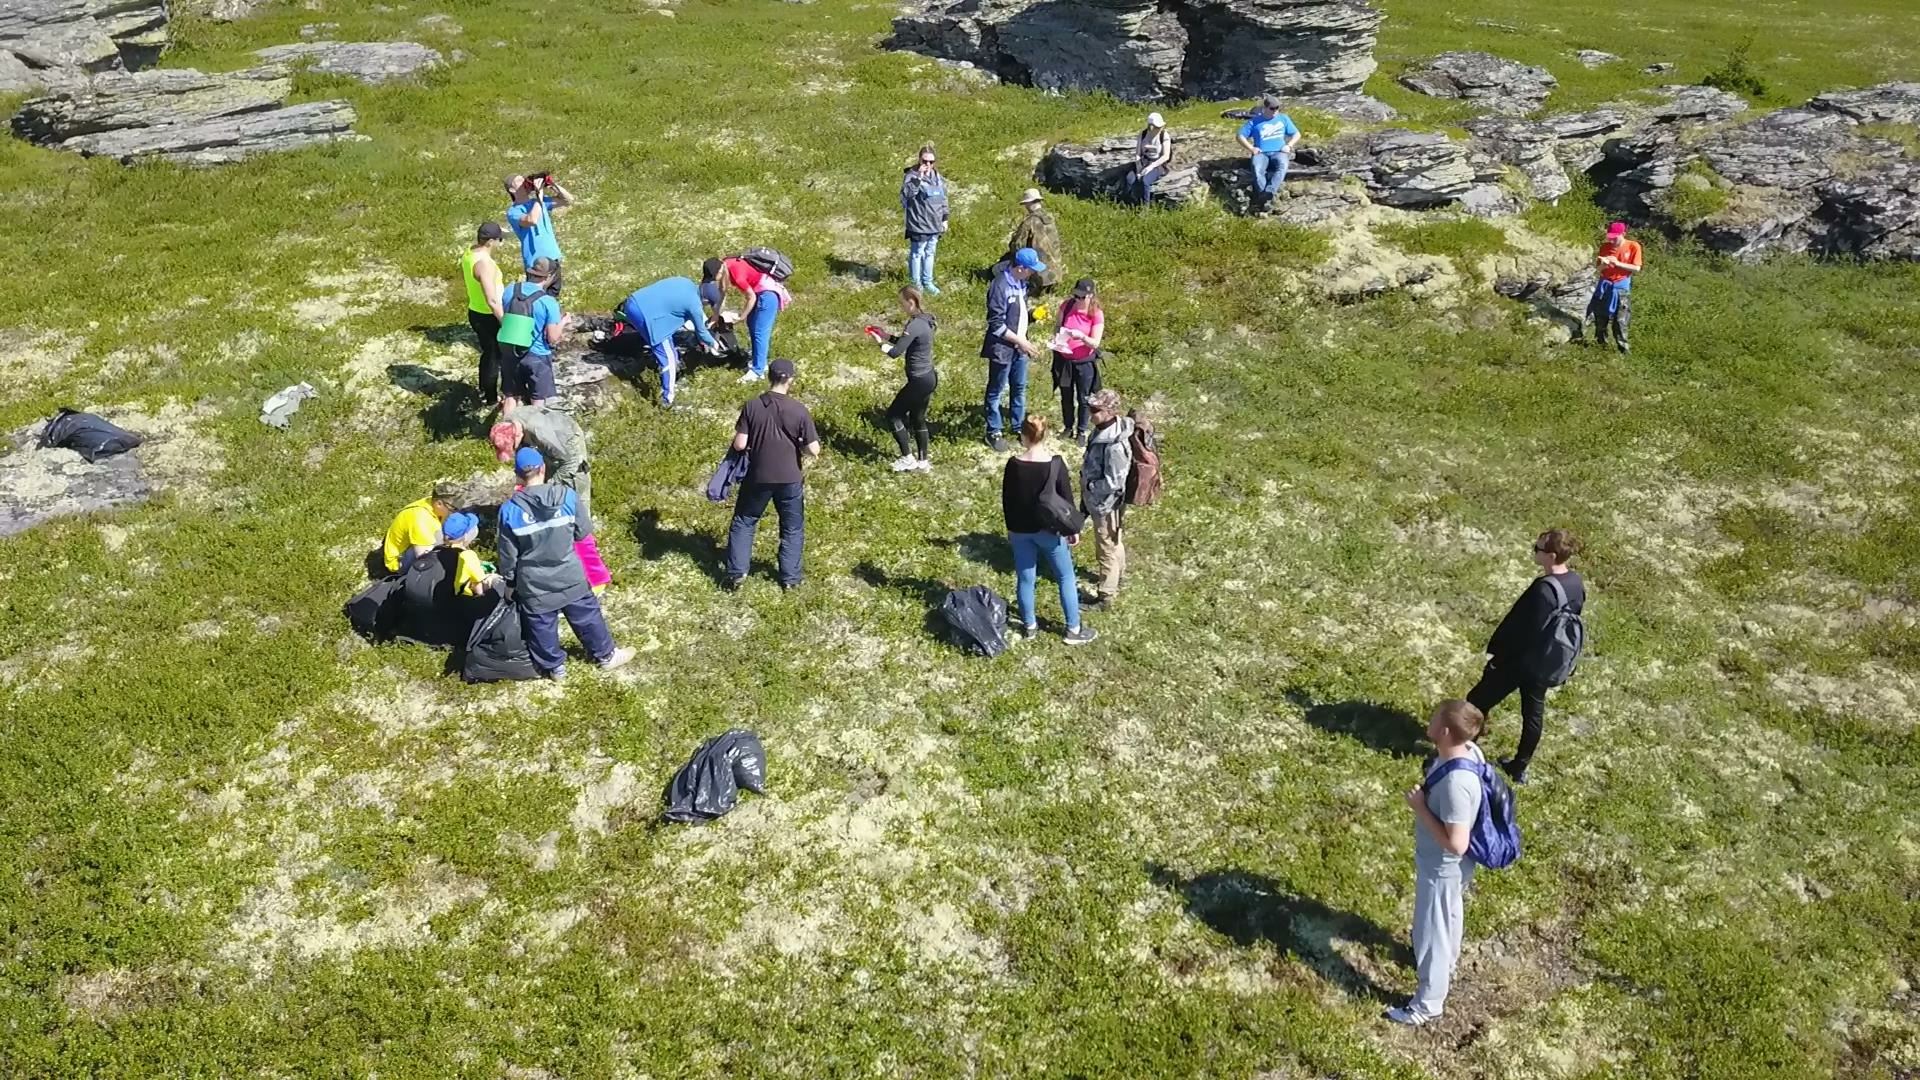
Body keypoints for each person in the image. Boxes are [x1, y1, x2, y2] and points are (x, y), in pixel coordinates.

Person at [1385, 699, 1488, 1027]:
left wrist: (1420, 807)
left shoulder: (1457, 784)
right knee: (1448, 917)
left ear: (1444, 731)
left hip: (1443, 869)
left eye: (1433, 719)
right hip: (1449, 869)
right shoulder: (1469, 750)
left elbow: (1457, 844)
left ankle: (1426, 1005)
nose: (1426, 721)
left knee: (1432, 934)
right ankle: (1448, 966)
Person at [497, 448, 633, 678]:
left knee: (541, 625)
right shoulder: (568, 496)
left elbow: (507, 555)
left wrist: (510, 582)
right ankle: (606, 656)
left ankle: (554, 668)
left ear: (517, 475)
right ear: (543, 468)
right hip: (570, 575)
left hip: (534, 585)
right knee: (587, 616)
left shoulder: (509, 511)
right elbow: (582, 532)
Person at [1465, 529, 1586, 785]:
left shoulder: (1543, 589)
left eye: (1537, 549)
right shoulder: (1575, 583)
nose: (1534, 551)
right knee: (1532, 715)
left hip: (1520, 662)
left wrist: (1498, 658)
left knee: (1476, 702)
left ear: (1551, 556)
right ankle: (1519, 767)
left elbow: (1520, 631)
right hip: (1546, 661)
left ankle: (1464, 756)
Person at [725, 358, 820, 591]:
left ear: (769, 377)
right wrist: (801, 446)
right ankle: (790, 579)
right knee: (792, 528)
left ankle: (737, 574)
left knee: (745, 521)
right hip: (790, 478)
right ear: (790, 380)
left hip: (758, 476)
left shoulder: (752, 406)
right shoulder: (799, 410)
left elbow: (740, 444)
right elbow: (814, 450)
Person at [1001, 415, 1097, 645]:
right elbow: (1066, 500)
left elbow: (1007, 501)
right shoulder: (1055, 464)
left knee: (1026, 579)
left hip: (1020, 531)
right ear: (1045, 435)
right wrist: (1072, 530)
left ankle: (1029, 626)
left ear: (1023, 435)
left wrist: (1011, 529)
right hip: (1050, 532)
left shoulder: (1013, 464)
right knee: (1065, 577)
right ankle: (1073, 630)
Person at [981, 247, 1046, 451]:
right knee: (997, 390)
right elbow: (996, 324)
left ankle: (1019, 427)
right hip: (1002, 348)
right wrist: (1021, 342)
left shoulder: (1021, 284)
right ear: (1020, 268)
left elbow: (1016, 313)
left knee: (1019, 388)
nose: (1033, 273)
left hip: (1019, 347)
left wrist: (1032, 315)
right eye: (1031, 269)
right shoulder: (999, 287)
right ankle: (994, 430)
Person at [618, 276, 719, 408]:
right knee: (670, 359)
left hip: (633, 303)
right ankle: (667, 401)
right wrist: (713, 343)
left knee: (666, 340)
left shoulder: (685, 282)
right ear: (705, 300)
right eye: (708, 304)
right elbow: (701, 333)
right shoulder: (694, 305)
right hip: (647, 316)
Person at [872, 286, 938, 473]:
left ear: (911, 302)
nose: (901, 306)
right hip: (929, 377)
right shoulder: (925, 320)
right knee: (918, 418)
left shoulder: (914, 325)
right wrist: (886, 335)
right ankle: (923, 462)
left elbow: (895, 352)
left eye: (902, 303)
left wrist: (879, 343)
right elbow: (906, 342)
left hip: (918, 381)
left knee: (893, 415)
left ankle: (907, 458)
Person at [1079, 389, 1134, 610]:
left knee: (1105, 548)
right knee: (1114, 540)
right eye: (1090, 408)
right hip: (1102, 502)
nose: (1090, 413)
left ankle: (1106, 596)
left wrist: (1091, 487)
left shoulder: (1114, 446)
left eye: (1095, 409)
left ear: (1111, 412)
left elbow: (1114, 482)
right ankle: (1119, 576)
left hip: (1105, 504)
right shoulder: (1103, 430)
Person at [498, 257, 563, 409]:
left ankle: (507, 423)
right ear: (549, 276)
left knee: (511, 396)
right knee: (538, 401)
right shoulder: (548, 301)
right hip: (537, 355)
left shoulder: (510, 290)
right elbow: (552, 338)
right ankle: (532, 424)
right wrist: (564, 322)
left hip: (510, 351)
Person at [715, 254, 789, 383]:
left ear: (720, 272)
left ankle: (758, 370)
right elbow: (722, 290)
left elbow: (751, 298)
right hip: (761, 292)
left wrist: (741, 317)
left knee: (760, 332)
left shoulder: (737, 276)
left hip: (767, 296)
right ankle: (759, 361)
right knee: (752, 324)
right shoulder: (726, 263)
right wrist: (716, 314)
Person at [1049, 278, 1105, 443]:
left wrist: (1081, 337)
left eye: (1082, 297)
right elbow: (1058, 326)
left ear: (1091, 296)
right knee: (1066, 395)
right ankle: (1068, 427)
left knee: (1084, 398)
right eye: (1076, 296)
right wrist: (1057, 338)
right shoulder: (1066, 306)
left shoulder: (1096, 313)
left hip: (1084, 362)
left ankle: (1081, 430)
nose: (1078, 300)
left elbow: (1095, 343)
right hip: (1065, 359)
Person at [504, 173, 575, 294]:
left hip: (553, 257)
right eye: (519, 181)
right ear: (512, 190)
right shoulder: (513, 212)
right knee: (536, 297)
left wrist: (551, 184)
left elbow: (568, 200)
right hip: (536, 263)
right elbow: (531, 220)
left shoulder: (538, 202)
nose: (524, 182)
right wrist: (539, 196)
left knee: (553, 296)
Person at [461, 222, 507, 407]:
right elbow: (492, 300)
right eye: (499, 239)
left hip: (475, 310)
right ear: (490, 242)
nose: (501, 243)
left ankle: (484, 388)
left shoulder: (470, 252)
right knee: (493, 357)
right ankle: (491, 397)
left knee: (488, 353)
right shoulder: (484, 265)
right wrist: (505, 321)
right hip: (488, 316)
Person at [1236, 95, 1300, 212]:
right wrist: (1251, 148)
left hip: (1279, 151)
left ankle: (1269, 192)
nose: (1275, 111)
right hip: (1261, 153)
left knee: (1282, 166)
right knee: (1257, 169)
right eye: (1272, 108)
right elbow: (1240, 136)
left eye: (1277, 108)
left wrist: (1289, 145)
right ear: (1264, 108)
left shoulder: (1284, 119)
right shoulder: (1254, 122)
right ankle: (1263, 196)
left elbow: (1296, 134)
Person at [901, 144, 950, 296]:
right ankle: (916, 284)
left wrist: (945, 218)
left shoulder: (938, 178)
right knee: (917, 253)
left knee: (930, 253)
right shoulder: (911, 176)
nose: (928, 164)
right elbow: (907, 194)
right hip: (919, 224)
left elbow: (943, 199)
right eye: (925, 161)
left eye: (931, 162)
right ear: (919, 160)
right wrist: (919, 177)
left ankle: (928, 282)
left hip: (935, 224)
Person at [382, 480, 459, 574]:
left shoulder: (431, 502)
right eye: (453, 508)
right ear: (439, 504)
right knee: (438, 557)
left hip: (414, 544)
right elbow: (425, 558)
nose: (456, 510)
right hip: (399, 561)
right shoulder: (421, 521)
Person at [1586, 222, 1641, 354]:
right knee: (1600, 318)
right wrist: (1604, 265)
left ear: (1623, 234)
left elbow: (1636, 268)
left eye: (1615, 237)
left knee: (1620, 321)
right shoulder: (1605, 247)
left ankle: (1623, 350)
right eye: (1610, 237)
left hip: (1621, 287)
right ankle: (1600, 347)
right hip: (1604, 286)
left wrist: (1617, 263)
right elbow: (1598, 269)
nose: (1612, 240)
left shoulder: (1633, 246)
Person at [1005, 189, 1061, 292]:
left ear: (1029, 203)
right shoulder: (1050, 218)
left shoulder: (1030, 221)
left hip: (1038, 272)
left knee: (1002, 267)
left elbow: (1018, 245)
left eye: (1025, 204)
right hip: (1055, 272)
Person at [439, 512, 501, 598]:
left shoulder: (438, 550)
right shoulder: (468, 555)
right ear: (465, 535)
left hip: (439, 597)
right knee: (494, 581)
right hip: (458, 600)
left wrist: (479, 563)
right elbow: (479, 588)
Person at [1128, 113, 1172, 206]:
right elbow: (1138, 153)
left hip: (1158, 164)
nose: (1160, 128)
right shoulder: (1143, 134)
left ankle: (1145, 208)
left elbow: (1166, 156)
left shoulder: (1164, 135)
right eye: (1157, 127)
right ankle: (1133, 203)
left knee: (1145, 181)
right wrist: (1139, 167)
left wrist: (1151, 167)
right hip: (1144, 161)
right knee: (1130, 179)